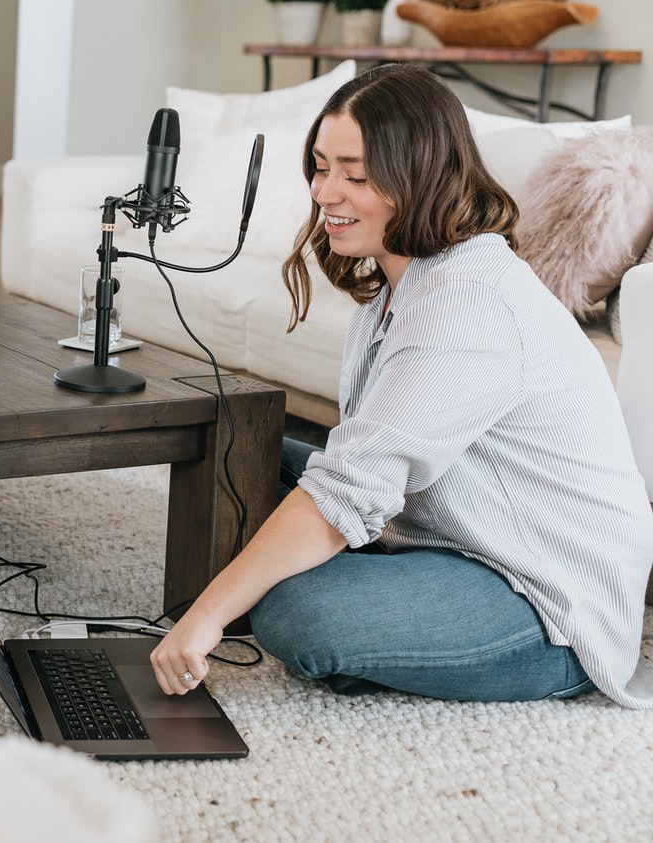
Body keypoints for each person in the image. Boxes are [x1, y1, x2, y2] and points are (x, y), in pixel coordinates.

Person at [150, 62, 653, 706]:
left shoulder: (468, 308)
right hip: (449, 529)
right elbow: (357, 470)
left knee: (296, 614)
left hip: (546, 597)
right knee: (239, 445)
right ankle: (381, 599)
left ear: (419, 177)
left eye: (355, 176)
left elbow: (347, 492)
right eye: (321, 165)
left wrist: (207, 616)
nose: (326, 192)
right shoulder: (400, 281)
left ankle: (402, 625)